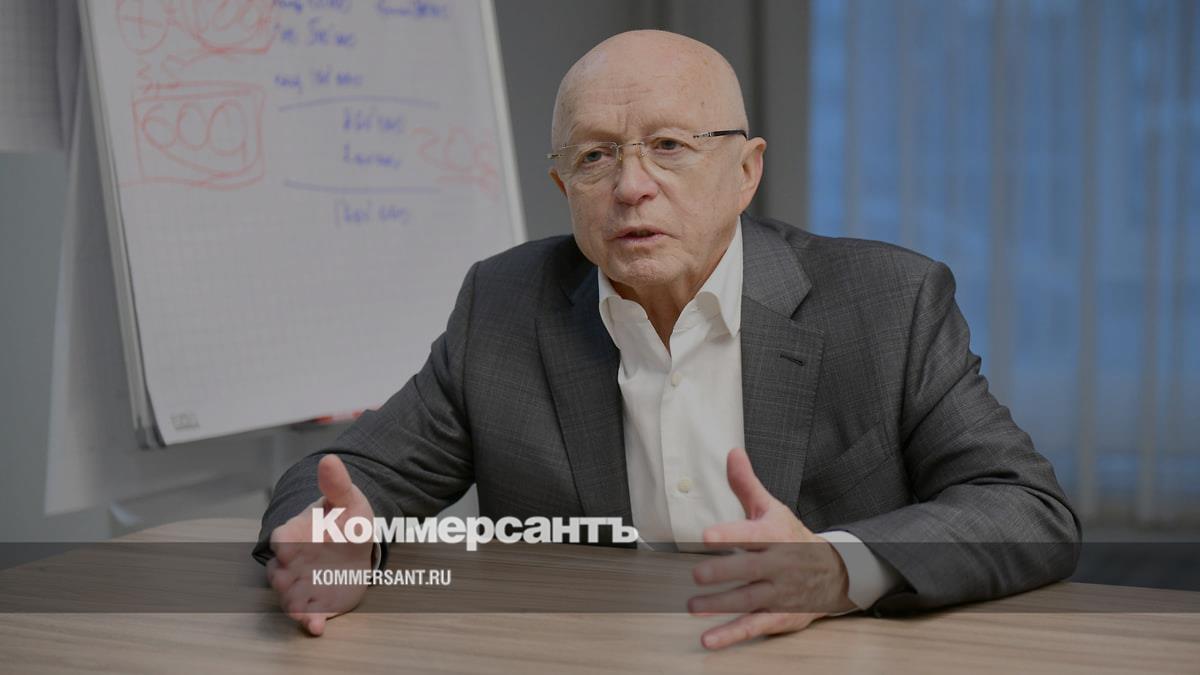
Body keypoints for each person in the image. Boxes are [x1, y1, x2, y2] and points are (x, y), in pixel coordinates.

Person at [255, 29, 1080, 650]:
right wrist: (336, 538)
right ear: (563, 186)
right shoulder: (503, 306)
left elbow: (1027, 508)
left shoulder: (886, 303)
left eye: (670, 147)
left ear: (746, 171)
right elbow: (349, 475)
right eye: (595, 157)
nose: (631, 186)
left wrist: (836, 569)